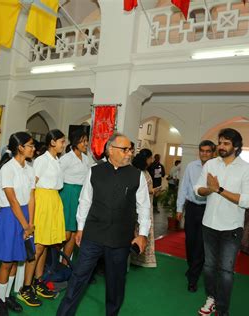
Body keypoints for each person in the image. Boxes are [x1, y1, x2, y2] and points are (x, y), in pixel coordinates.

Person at [57, 133, 150, 316]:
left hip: (120, 239)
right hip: (93, 235)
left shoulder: (137, 176)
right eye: (125, 149)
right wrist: (81, 228)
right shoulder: (95, 171)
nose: (129, 153)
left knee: (116, 284)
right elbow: (85, 201)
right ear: (110, 150)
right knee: (77, 279)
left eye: (130, 150)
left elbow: (144, 207)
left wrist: (143, 234)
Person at [194, 128, 249, 316]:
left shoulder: (247, 169)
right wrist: (209, 190)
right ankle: (211, 298)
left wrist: (219, 189)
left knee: (226, 271)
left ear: (236, 147)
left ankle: (222, 310)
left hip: (231, 228)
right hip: (209, 225)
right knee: (209, 267)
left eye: (226, 143)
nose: (221, 146)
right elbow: (198, 189)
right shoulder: (211, 164)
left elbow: (247, 201)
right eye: (220, 142)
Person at [0, 132, 36, 315]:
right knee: (7, 262)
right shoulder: (8, 169)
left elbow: (31, 198)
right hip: (10, 216)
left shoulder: (30, 169)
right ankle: (0, 299)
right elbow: (12, 200)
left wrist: (31, 222)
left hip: (24, 216)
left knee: (17, 259)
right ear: (20, 147)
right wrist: (25, 225)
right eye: (30, 145)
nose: (33, 148)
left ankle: (7, 296)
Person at [18, 129, 66, 305]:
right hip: (42, 201)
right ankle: (26, 287)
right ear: (52, 142)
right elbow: (33, 185)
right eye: (61, 141)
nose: (63, 144)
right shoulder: (42, 160)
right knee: (38, 246)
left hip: (53, 200)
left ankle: (38, 282)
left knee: (45, 246)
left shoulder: (56, 160)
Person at [176, 140, 216, 292]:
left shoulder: (217, 168)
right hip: (192, 209)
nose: (204, 153)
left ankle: (193, 278)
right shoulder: (192, 166)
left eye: (208, 151)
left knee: (200, 244)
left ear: (213, 153)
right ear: (199, 152)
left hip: (209, 209)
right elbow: (184, 187)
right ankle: (193, 266)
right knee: (190, 242)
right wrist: (179, 208)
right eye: (202, 151)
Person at [59, 129, 90, 262]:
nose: (85, 144)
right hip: (68, 194)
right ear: (75, 142)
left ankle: (65, 265)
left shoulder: (87, 159)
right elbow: (57, 176)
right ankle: (53, 261)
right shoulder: (67, 158)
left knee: (74, 233)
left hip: (81, 195)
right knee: (65, 233)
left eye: (86, 141)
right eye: (83, 141)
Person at [131, 148, 158, 268]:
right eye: (150, 158)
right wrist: (153, 191)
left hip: (146, 204)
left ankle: (138, 257)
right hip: (140, 206)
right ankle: (138, 257)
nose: (152, 160)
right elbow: (139, 190)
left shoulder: (143, 171)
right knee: (140, 229)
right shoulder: (140, 173)